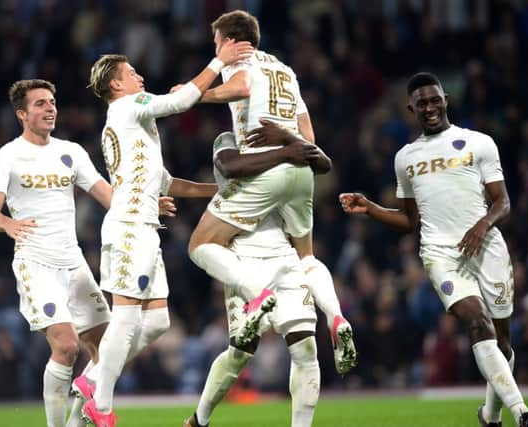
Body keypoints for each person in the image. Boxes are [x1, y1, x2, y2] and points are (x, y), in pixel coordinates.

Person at [339, 72, 528, 427]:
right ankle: (522, 413)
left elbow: (503, 202)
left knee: (503, 344)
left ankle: (490, 416)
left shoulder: (478, 143)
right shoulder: (406, 158)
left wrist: (482, 225)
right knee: (477, 323)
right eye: (422, 103)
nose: (430, 107)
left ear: (446, 100)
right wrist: (371, 208)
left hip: (487, 247)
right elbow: (409, 220)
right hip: (441, 253)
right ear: (411, 108)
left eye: (435, 99)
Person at [79, 42, 253, 427]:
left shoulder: (135, 125)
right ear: (116, 85)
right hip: (128, 227)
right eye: (131, 73)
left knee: (157, 322)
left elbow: (167, 183)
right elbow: (181, 102)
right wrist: (218, 61)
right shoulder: (127, 108)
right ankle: (101, 405)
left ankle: (93, 378)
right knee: (125, 317)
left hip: (143, 226)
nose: (140, 77)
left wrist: (219, 190)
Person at [185, 10, 347, 350]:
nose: (216, 49)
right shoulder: (286, 71)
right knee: (306, 257)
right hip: (301, 168)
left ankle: (256, 295)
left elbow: (241, 86)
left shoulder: (237, 58)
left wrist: (201, 95)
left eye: (217, 43)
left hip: (264, 169)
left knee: (200, 245)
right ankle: (335, 316)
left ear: (231, 41)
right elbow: (309, 138)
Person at [0, 79, 112, 427]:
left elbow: (108, 196)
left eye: (52, 102)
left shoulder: (70, 152)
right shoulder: (7, 155)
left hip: (73, 262)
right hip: (35, 262)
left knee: (109, 349)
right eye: (40, 103)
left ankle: (77, 420)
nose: (50, 108)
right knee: (67, 347)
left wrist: (143, 207)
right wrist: (8, 224)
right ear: (22, 114)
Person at [184, 131, 323, 427]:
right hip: (240, 256)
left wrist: (288, 139)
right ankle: (199, 420)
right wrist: (286, 154)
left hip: (281, 251)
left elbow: (321, 163)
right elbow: (229, 167)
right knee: (241, 352)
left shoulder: (283, 135)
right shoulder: (228, 138)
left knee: (305, 347)